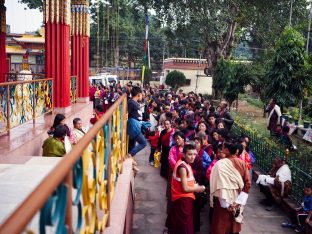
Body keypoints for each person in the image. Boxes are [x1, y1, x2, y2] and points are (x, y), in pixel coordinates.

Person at [210, 142, 251, 234]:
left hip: (222, 199)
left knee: (220, 226)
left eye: (223, 148)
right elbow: (247, 184)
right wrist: (238, 202)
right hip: (237, 198)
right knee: (234, 224)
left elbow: (218, 184)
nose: (221, 150)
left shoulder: (219, 164)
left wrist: (226, 204)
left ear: (227, 150)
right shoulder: (242, 163)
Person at [168, 144, 206, 234]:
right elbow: (185, 188)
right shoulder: (183, 168)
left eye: (194, 154)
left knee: (179, 224)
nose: (193, 157)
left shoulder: (184, 163)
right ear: (184, 154)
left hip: (182, 198)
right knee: (184, 226)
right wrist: (198, 188)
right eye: (190, 154)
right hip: (183, 199)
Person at [127, 86, 148, 172]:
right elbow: (127, 114)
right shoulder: (131, 102)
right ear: (138, 95)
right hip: (134, 127)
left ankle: (130, 162)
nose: (142, 97)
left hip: (136, 126)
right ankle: (130, 155)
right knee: (143, 142)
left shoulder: (133, 102)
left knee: (131, 146)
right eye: (142, 95)